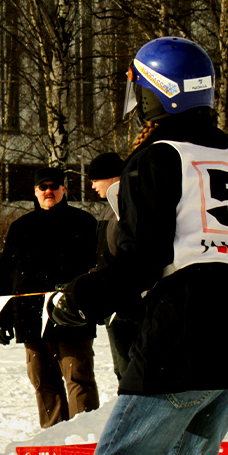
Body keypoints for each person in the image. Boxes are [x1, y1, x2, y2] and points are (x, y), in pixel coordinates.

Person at [51, 37, 228, 455]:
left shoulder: (158, 155)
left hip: (186, 325)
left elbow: (140, 260)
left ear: (148, 91)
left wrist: (74, 299)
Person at [0, 167, 99, 429]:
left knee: (79, 378)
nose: (48, 191)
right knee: (43, 381)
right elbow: (7, 274)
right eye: (43, 187)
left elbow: (98, 269)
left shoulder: (85, 223)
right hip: (29, 316)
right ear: (35, 191)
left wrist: (99, 305)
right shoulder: (20, 227)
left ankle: (86, 437)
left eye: (54, 186)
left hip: (74, 314)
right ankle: (52, 437)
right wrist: (1, 317)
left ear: (64, 189)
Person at [88, 152, 140, 381]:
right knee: (122, 370)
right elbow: (104, 257)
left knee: (133, 371)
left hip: (131, 303)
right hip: (115, 302)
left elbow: (127, 255)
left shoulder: (131, 203)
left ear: (110, 178)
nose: (91, 186)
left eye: (94, 180)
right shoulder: (109, 207)